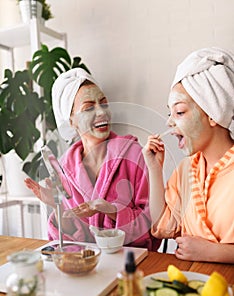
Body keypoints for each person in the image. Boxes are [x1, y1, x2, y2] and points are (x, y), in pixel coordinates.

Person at [25, 68, 160, 251]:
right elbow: (73, 239)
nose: (101, 112)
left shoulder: (135, 155)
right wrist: (58, 208)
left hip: (132, 262)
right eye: (89, 108)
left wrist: (110, 210)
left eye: (104, 104)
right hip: (87, 266)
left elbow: (153, 226)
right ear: (71, 121)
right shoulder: (65, 168)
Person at [143, 47, 234, 262]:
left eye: (180, 112)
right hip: (193, 284)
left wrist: (216, 253)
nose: (169, 122)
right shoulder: (187, 169)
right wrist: (155, 170)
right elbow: (161, 226)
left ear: (213, 114)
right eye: (170, 113)